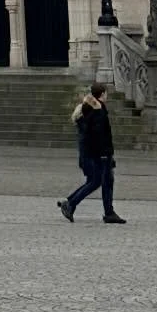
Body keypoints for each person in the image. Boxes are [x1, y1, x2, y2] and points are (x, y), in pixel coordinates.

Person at [58, 81, 126, 224]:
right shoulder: (97, 112)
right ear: (102, 94)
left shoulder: (90, 110)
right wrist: (105, 154)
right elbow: (99, 135)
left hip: (93, 153)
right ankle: (73, 204)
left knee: (102, 181)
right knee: (100, 181)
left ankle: (73, 203)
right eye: (106, 93)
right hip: (99, 154)